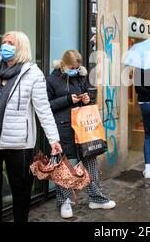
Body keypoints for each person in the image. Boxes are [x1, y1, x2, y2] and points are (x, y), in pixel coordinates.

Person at [0, 31, 62, 222]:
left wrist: (54, 139)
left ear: (21, 47)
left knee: (20, 190)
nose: (5, 45)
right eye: (3, 41)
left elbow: (43, 110)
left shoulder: (32, 74)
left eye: (10, 42)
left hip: (19, 145)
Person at [47, 50, 116, 219]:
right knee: (65, 166)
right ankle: (65, 202)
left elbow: (89, 96)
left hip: (84, 127)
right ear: (63, 65)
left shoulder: (80, 75)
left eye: (77, 67)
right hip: (63, 128)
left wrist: (87, 99)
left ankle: (96, 198)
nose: (75, 70)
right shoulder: (52, 79)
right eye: (72, 67)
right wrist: (69, 99)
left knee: (90, 160)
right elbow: (47, 105)